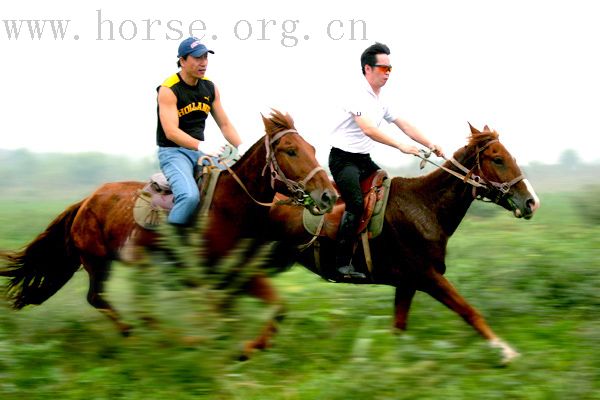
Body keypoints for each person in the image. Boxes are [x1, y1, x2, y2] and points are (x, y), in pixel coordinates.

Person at [329, 42, 444, 279]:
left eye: (390, 69)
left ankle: (379, 253)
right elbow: (369, 129)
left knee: (387, 197)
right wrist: (400, 145)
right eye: (383, 69)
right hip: (343, 160)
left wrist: (430, 144)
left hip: (363, 160)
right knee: (356, 205)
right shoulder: (355, 95)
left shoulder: (382, 99)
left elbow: (405, 125)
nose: (388, 73)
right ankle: (340, 264)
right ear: (367, 69)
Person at [156, 36, 247, 227]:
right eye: (197, 58)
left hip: (199, 153)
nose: (203, 63)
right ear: (182, 60)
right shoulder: (169, 89)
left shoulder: (210, 87)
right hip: (173, 153)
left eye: (205, 57)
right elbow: (171, 132)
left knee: (237, 185)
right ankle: (170, 247)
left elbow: (225, 125)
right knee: (189, 197)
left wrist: (242, 148)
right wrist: (202, 145)